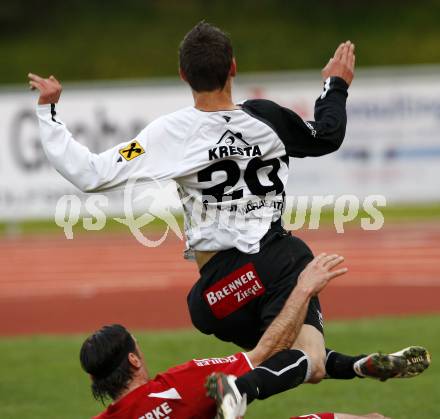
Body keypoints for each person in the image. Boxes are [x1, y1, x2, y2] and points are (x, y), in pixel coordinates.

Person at [29, 21, 429, 388]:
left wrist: (48, 112)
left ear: (184, 74)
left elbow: (91, 173)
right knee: (296, 269)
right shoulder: (267, 118)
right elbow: (327, 135)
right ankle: (240, 390)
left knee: (308, 362)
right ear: (233, 67)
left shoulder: (169, 134)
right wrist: (336, 84)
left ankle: (358, 365)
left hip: (215, 299)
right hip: (272, 264)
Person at [80, 255, 396, 419]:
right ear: (134, 360)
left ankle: (356, 366)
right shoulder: (179, 386)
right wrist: (303, 290)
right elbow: (266, 353)